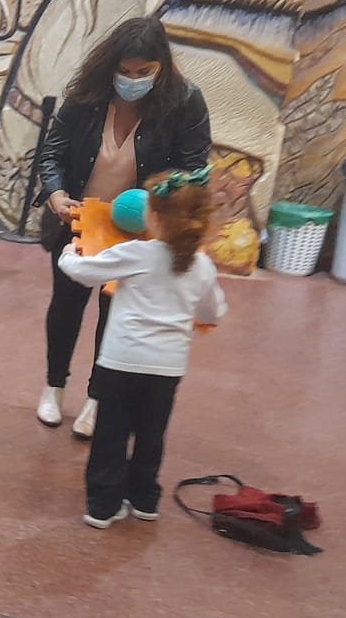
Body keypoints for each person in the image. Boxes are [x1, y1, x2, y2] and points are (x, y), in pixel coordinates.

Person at [34, 17, 212, 439]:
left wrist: (162, 204)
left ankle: (97, 398)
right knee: (66, 306)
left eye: (143, 72)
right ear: (110, 65)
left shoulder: (185, 101)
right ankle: (53, 387)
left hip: (140, 231)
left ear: (161, 66)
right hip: (78, 219)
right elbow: (51, 153)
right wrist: (56, 194)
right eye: (125, 71)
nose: (133, 80)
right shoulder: (85, 95)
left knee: (115, 314)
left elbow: (194, 169)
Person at [56, 167, 226, 528]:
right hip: (167, 367)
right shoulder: (203, 266)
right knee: (151, 435)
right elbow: (212, 312)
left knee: (111, 434)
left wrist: (68, 253)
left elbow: (84, 272)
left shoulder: (136, 252)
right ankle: (145, 499)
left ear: (155, 218)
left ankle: (103, 507)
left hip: (121, 361)